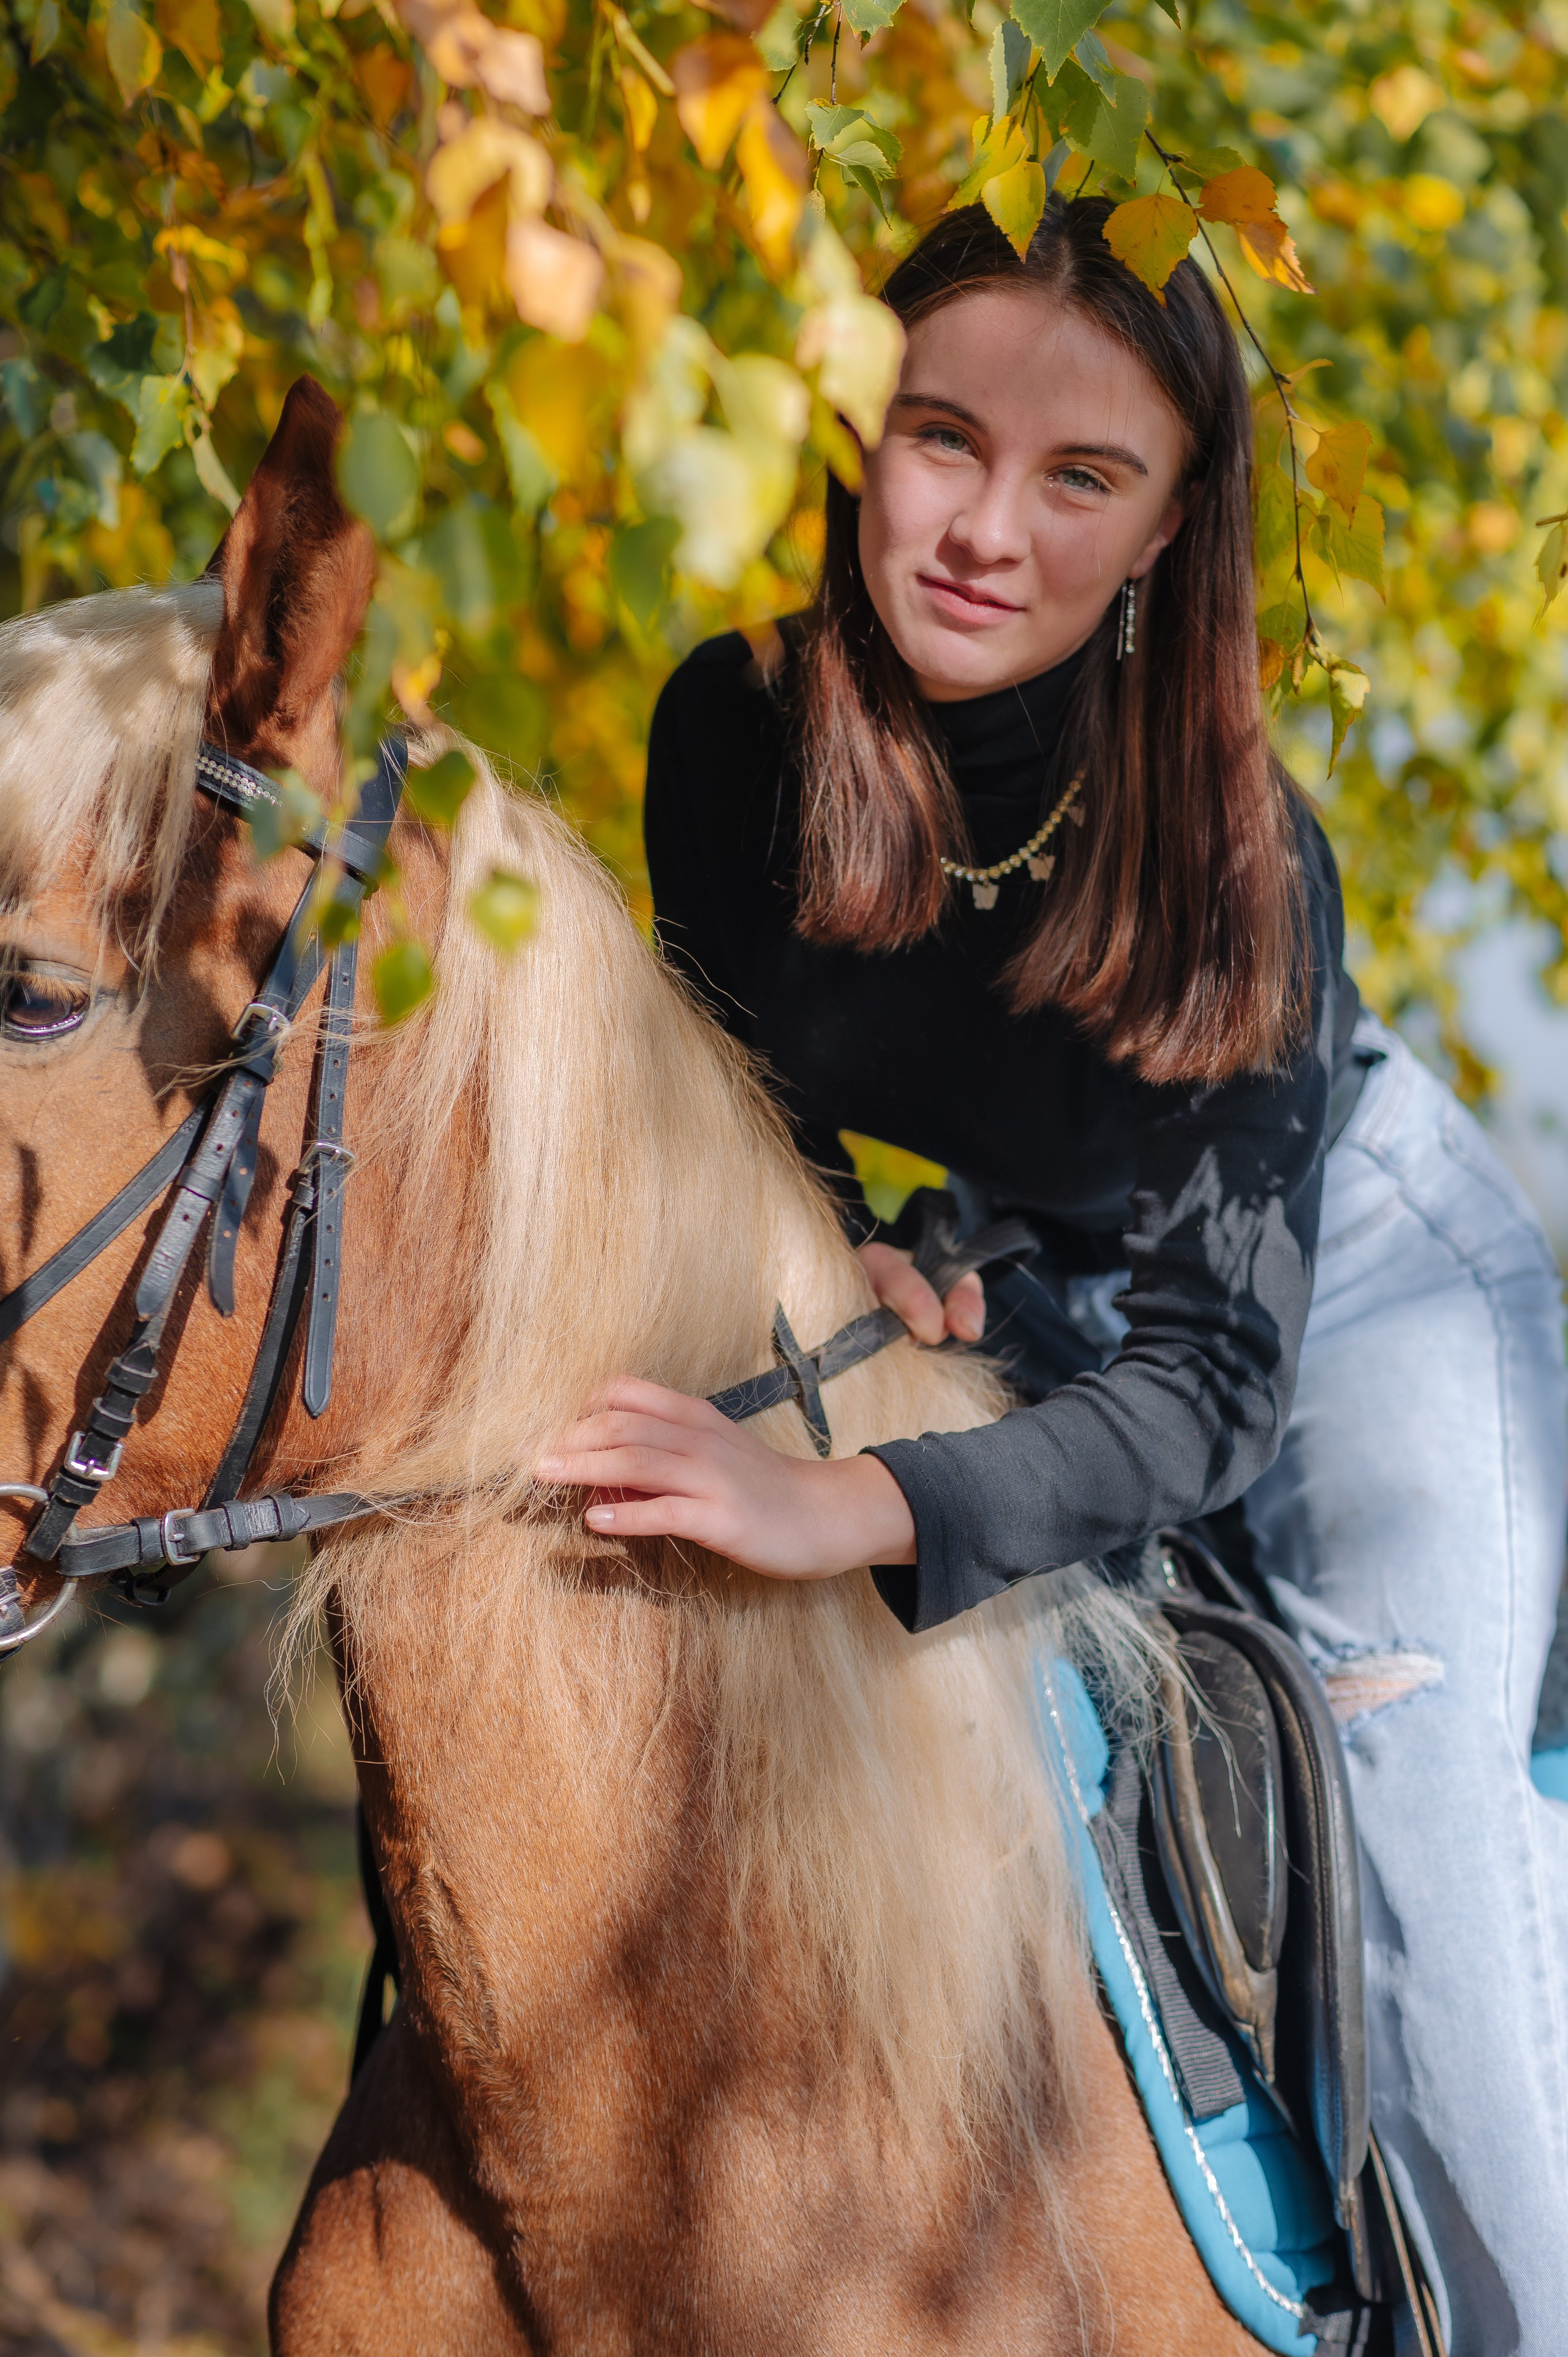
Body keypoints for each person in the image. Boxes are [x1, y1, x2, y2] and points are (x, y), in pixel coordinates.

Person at [537, 198, 1568, 2353]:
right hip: (1044, 1267)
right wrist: (871, 1270)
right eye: (940, 439)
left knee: (1423, 1849)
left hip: (1353, 1292)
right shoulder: (729, 734)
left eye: (1082, 475)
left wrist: (862, 1502)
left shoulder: (1240, 850)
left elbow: (1213, 1386)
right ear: (850, 429)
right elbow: (768, 1132)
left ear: (1174, 531)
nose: (987, 529)